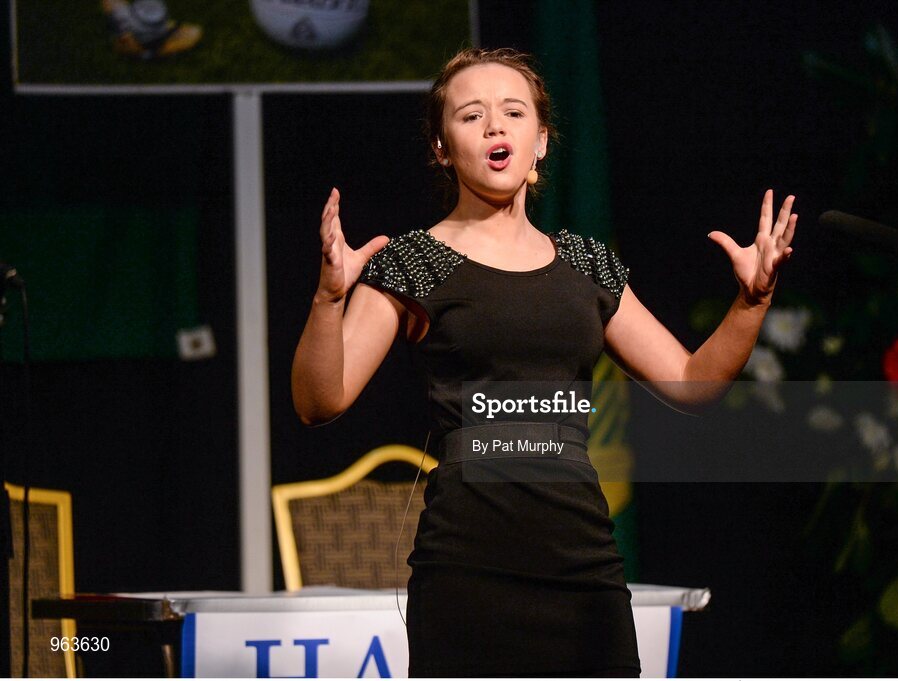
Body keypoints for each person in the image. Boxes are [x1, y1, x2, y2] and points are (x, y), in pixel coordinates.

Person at [292, 47, 797, 677]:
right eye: (472, 115)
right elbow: (320, 401)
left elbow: (693, 383)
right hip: (466, 567)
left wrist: (753, 301)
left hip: (581, 563)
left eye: (513, 112)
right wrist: (329, 297)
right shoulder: (414, 262)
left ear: (542, 143)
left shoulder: (585, 264)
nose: (496, 127)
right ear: (443, 149)